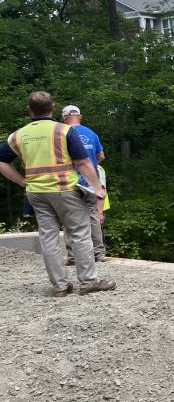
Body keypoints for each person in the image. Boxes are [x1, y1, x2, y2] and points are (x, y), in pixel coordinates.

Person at [0, 91, 116, 296]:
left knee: (48, 238)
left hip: (36, 192)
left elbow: (2, 161)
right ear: (52, 107)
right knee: (80, 234)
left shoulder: (18, 135)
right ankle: (88, 282)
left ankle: (60, 286)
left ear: (29, 110)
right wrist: (97, 188)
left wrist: (22, 181)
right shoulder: (64, 131)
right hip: (65, 190)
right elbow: (83, 162)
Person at [60, 104, 107, 263]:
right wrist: (91, 167)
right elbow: (101, 156)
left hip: (70, 182)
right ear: (80, 116)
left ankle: (73, 256)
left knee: (69, 217)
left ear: (64, 118)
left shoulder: (63, 133)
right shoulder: (91, 133)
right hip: (90, 183)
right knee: (93, 215)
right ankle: (98, 253)